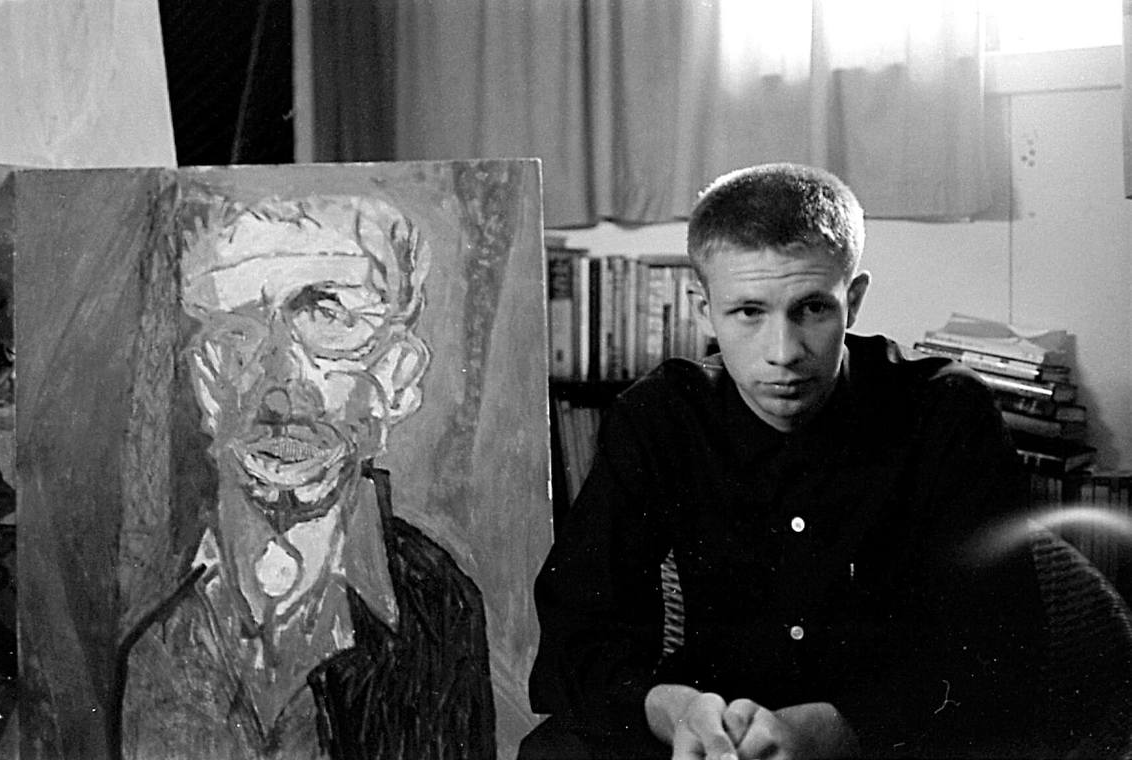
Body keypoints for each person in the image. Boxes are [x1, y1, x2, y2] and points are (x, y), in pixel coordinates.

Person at [523, 164, 1050, 759]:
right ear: (703, 312)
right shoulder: (661, 417)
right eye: (748, 312)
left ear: (854, 300)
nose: (784, 353)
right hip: (712, 727)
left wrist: (834, 729)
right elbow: (580, 626)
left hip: (886, 731)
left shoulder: (946, 412)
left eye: (812, 310)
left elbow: (1001, 652)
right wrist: (673, 711)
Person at [118, 194, 496, 760]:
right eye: (239, 335)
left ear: (397, 375)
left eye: (329, 319)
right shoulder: (156, 629)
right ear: (207, 384)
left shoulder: (438, 610)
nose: (279, 387)